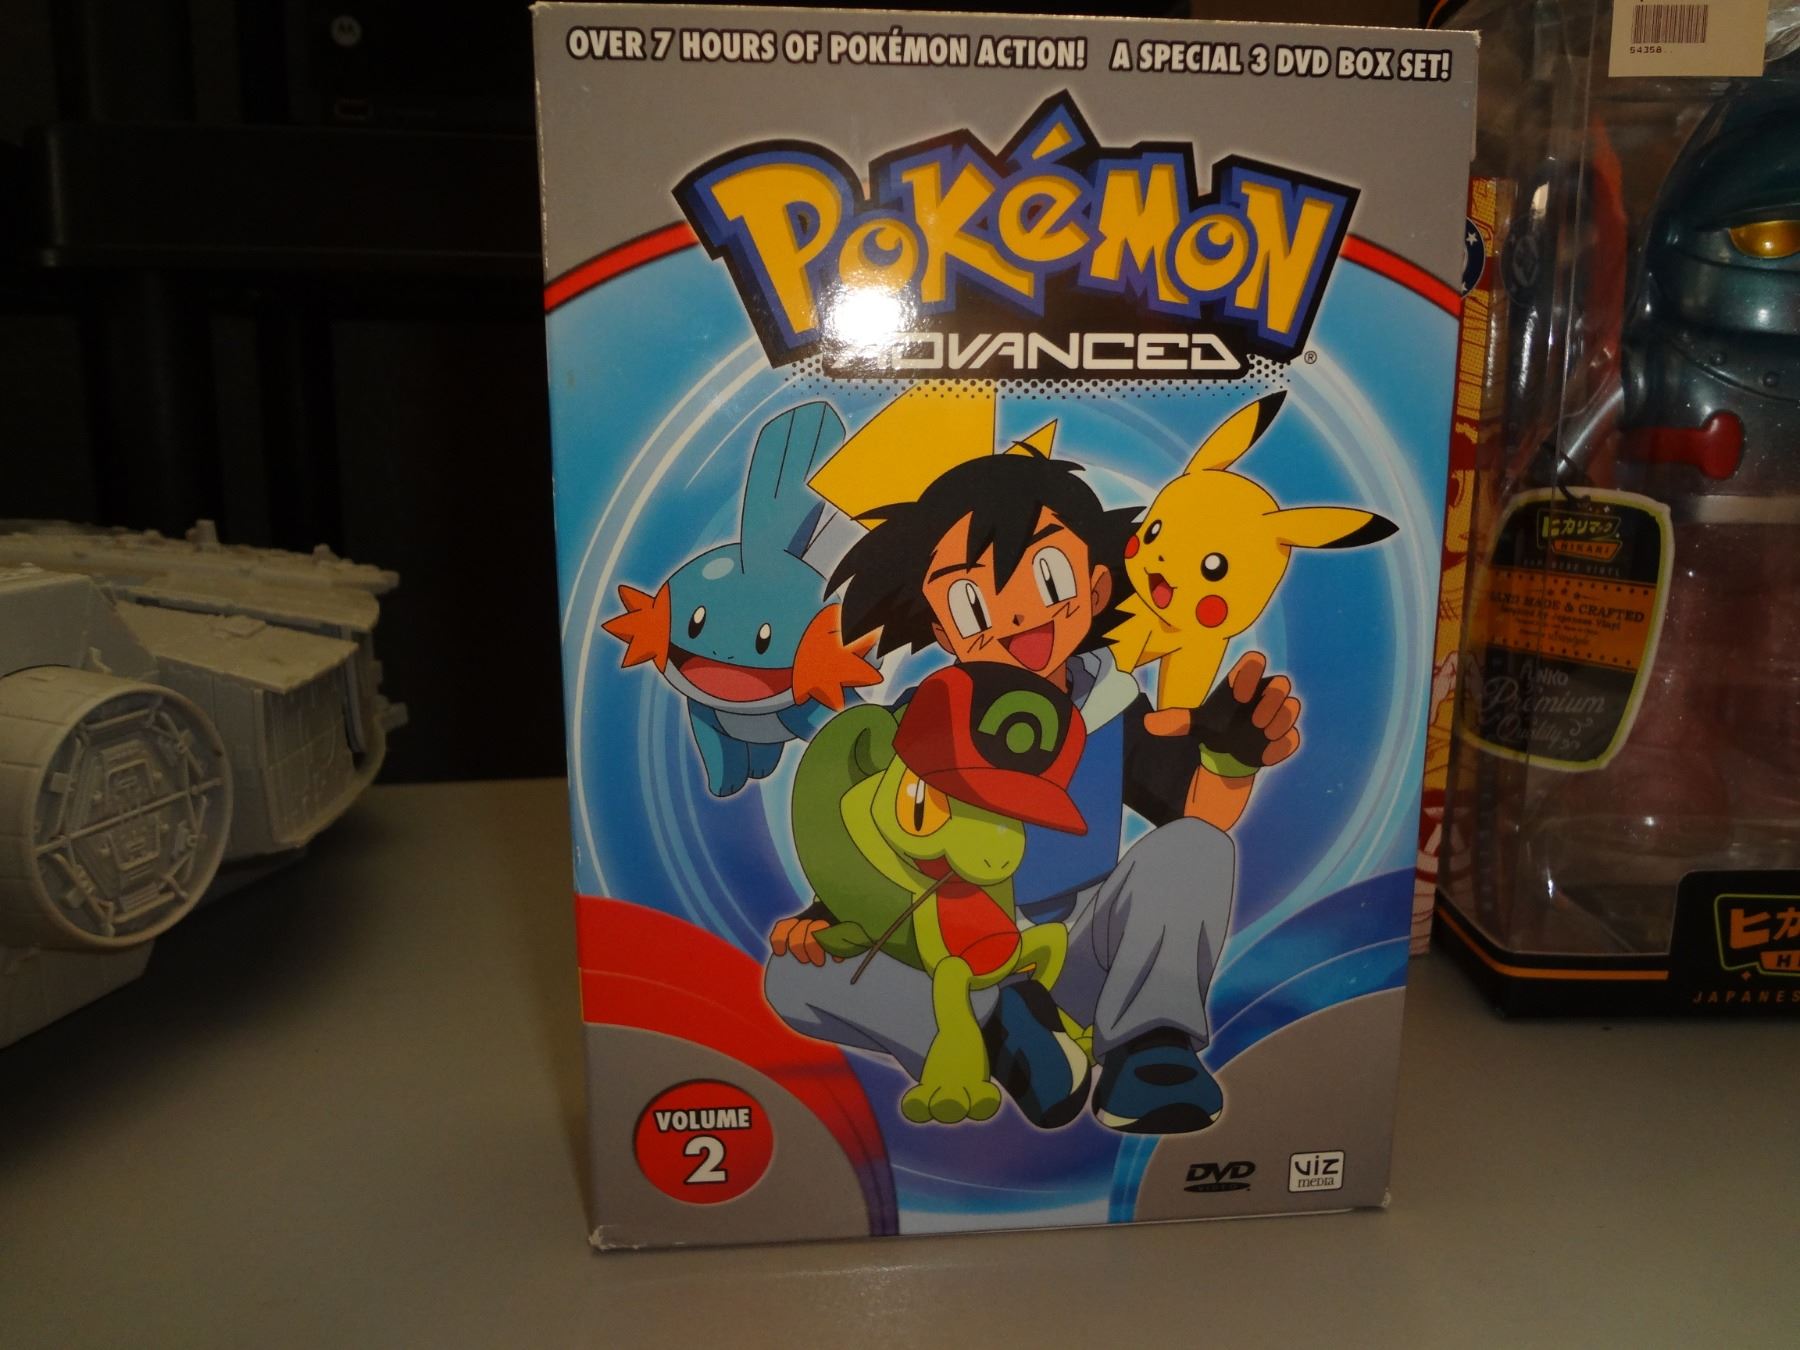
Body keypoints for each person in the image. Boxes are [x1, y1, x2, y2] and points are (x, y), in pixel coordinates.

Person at [767, 446, 1301, 1133]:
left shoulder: (1108, 703)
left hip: (1077, 949)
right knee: (793, 978)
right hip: (948, 953)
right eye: (972, 601)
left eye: (1047, 578)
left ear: (1097, 590)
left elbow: (1198, 815)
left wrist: (1233, 756)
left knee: (1197, 846)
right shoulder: (916, 727)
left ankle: (1148, 1053)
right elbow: (872, 845)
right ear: (942, 629)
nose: (1015, 615)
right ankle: (1007, 1036)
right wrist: (824, 915)